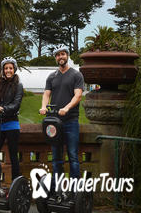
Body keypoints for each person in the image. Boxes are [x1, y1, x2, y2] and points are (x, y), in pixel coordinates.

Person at [39, 45, 84, 191]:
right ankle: (57, 189)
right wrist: (44, 107)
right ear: (56, 58)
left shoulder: (76, 75)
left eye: (63, 54)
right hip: (55, 123)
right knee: (57, 159)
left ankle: (75, 190)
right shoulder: (52, 76)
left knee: (73, 157)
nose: (61, 57)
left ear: (67, 56)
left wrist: (67, 107)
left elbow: (78, 95)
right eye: (58, 55)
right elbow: (46, 94)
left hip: (70, 121)